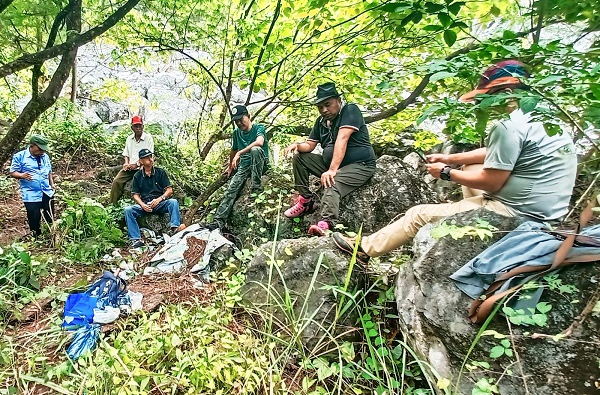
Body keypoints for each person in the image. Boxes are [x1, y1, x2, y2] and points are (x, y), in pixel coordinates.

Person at [332, 60, 578, 260]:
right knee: (470, 165)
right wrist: (450, 158)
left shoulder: (508, 127)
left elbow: (492, 182)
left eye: (489, 95)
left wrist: (446, 173)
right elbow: (497, 154)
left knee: (418, 214)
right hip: (546, 210)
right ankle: (467, 213)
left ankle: (364, 248)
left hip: (517, 212)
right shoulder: (547, 121)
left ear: (507, 92)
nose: (485, 103)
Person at [283, 82, 376, 236]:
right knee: (300, 158)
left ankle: (326, 224)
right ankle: (306, 201)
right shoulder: (320, 122)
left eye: (328, 104)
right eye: (320, 107)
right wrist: (297, 145)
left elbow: (342, 139)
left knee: (331, 181)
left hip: (360, 165)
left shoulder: (350, 110)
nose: (324, 110)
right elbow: (310, 145)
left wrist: (332, 170)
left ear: (338, 101)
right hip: (331, 164)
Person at [212, 105, 269, 228]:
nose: (239, 123)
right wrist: (230, 165)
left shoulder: (259, 128)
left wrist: (240, 152)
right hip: (244, 165)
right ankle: (218, 221)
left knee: (255, 150)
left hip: (260, 164)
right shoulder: (237, 133)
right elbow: (233, 150)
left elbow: (260, 142)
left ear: (248, 117)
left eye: (241, 119)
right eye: (236, 121)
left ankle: (256, 186)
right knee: (231, 189)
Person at [124, 149, 185, 248]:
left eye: (151, 156)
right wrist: (142, 205)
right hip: (145, 205)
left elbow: (169, 190)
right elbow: (135, 194)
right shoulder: (137, 176)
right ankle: (135, 239)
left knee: (173, 202)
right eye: (147, 158)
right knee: (128, 210)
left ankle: (175, 228)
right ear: (141, 161)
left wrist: (159, 199)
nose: (150, 159)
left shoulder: (160, 172)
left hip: (159, 203)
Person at [9, 135, 56, 238]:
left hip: (47, 191)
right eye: (40, 149)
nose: (42, 152)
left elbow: (49, 171)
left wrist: (52, 183)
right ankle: (36, 238)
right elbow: (13, 172)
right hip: (31, 193)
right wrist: (21, 175)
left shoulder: (45, 156)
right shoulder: (20, 156)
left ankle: (51, 236)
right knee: (34, 217)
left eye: (44, 150)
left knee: (50, 215)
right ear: (32, 145)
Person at [110, 115, 154, 205]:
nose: (138, 128)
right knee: (117, 181)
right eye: (135, 126)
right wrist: (126, 163)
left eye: (139, 126)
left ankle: (143, 204)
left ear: (143, 126)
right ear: (132, 128)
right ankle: (112, 204)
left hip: (143, 167)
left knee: (139, 184)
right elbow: (126, 153)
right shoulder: (129, 139)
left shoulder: (148, 139)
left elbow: (149, 156)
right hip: (130, 168)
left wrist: (137, 164)